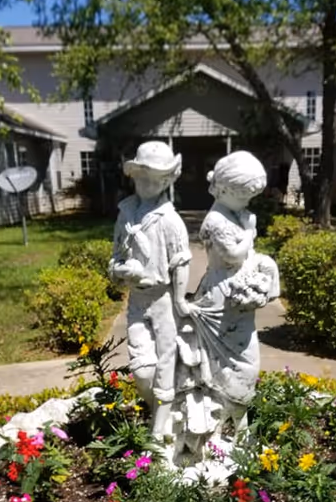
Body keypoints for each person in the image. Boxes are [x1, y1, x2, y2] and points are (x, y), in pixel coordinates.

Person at [179, 151, 279, 441]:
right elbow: (233, 255)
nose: (248, 202)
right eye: (244, 195)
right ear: (223, 189)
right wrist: (249, 232)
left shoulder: (234, 212)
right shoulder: (215, 220)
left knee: (246, 363)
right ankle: (222, 428)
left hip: (237, 298)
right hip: (221, 300)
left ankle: (238, 423)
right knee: (227, 365)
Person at [109, 141, 191, 439]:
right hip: (137, 300)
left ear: (167, 181)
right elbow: (115, 256)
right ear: (134, 176)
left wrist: (181, 298)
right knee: (143, 370)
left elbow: (181, 261)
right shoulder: (126, 213)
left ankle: (159, 431)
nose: (148, 184)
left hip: (163, 299)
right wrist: (120, 270)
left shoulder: (170, 221)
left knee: (166, 362)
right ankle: (160, 411)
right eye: (142, 177)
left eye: (156, 179)